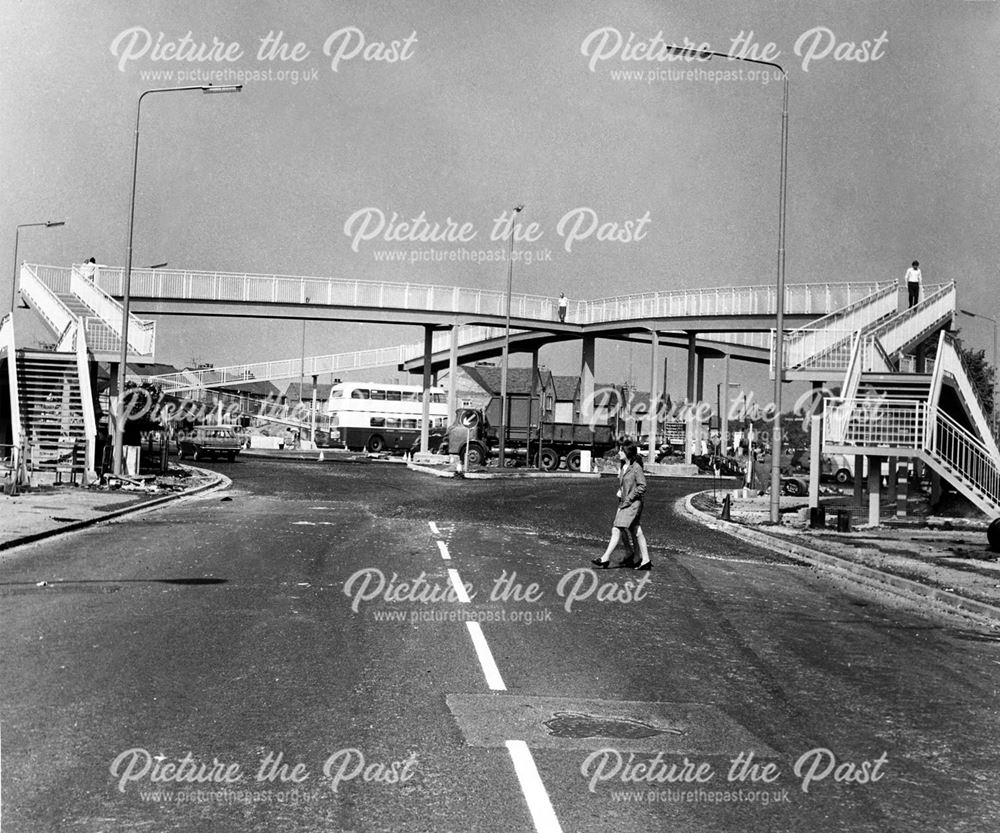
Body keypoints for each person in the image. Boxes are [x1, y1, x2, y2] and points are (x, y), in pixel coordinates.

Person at [591, 441, 652, 570]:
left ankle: (605, 558)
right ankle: (642, 558)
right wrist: (621, 492)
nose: (619, 453)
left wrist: (629, 498)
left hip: (632, 503)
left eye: (621, 451)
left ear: (628, 453)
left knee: (617, 528)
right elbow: (624, 484)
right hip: (624, 502)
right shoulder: (624, 466)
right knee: (635, 529)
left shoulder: (636, 467)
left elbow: (642, 486)